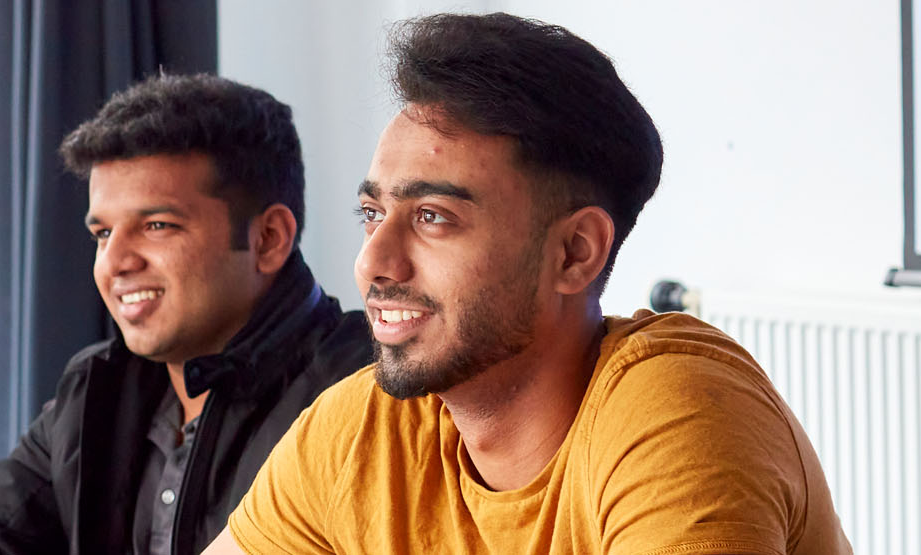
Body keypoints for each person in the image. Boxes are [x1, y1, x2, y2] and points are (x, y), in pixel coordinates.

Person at [206, 13, 850, 554]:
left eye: (433, 218)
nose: (374, 262)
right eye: (373, 214)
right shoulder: (360, 432)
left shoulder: (678, 412)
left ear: (575, 252)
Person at [0, 74, 373, 555]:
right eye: (103, 233)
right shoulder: (97, 388)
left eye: (157, 226)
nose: (115, 262)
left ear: (268, 238)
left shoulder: (367, 396)